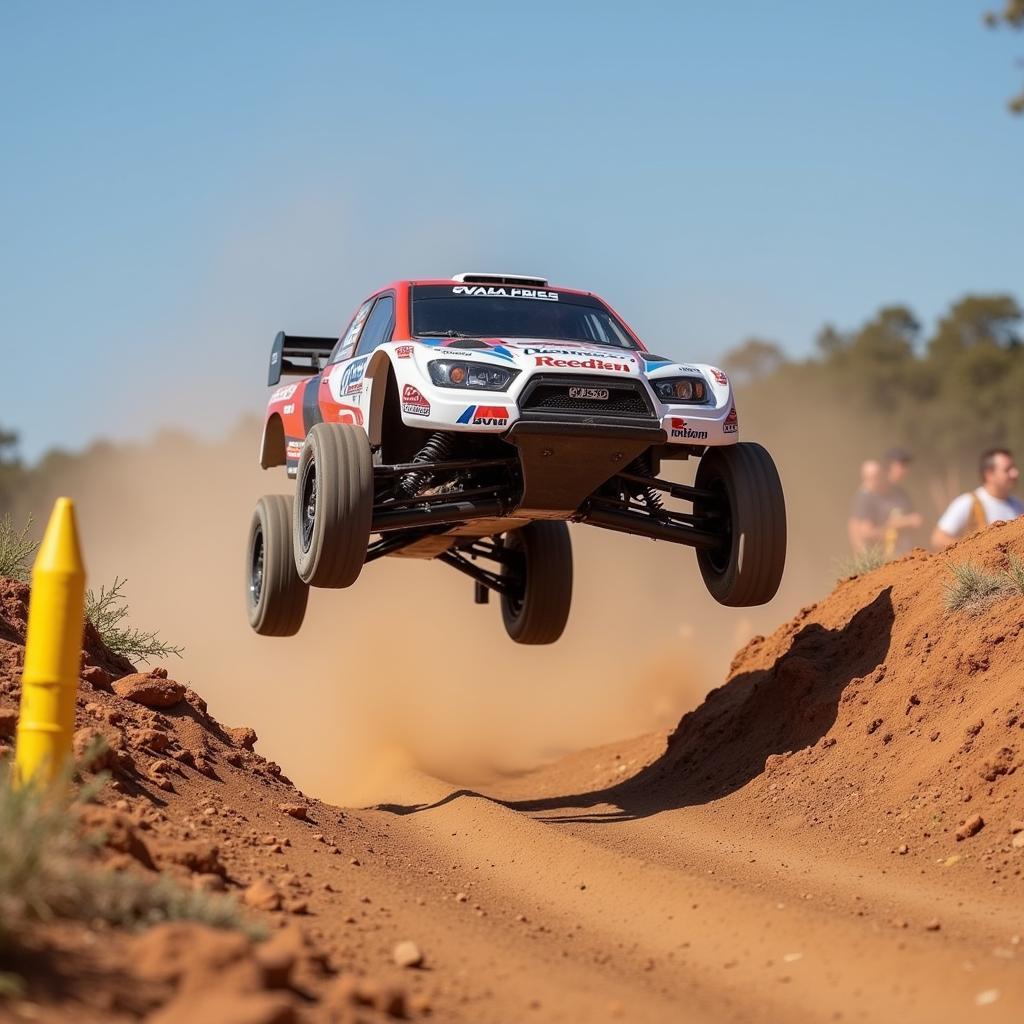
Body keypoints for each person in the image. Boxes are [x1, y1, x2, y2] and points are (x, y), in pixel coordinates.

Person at [932, 448, 1024, 549]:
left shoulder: (1018, 505)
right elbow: (938, 539)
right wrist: (973, 548)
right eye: (1007, 470)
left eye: (1014, 468)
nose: (1015, 473)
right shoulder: (967, 502)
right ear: (989, 474)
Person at [848, 456, 922, 556]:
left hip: (902, 550)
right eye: (871, 477)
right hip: (881, 554)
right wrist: (902, 524)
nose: (876, 480)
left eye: (877, 476)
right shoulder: (864, 497)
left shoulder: (896, 491)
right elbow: (865, 531)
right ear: (865, 478)